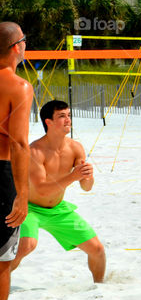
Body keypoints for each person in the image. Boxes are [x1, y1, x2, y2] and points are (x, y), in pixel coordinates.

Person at [10, 100, 105, 282]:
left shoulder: (75, 148)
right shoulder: (35, 151)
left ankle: (100, 289)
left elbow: (86, 187)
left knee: (98, 250)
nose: (68, 120)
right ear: (49, 122)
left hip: (59, 210)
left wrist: (88, 176)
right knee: (26, 246)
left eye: (69, 115)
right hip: (31, 208)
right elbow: (42, 190)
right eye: (62, 116)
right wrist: (73, 176)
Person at [0, 23, 30, 300]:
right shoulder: (18, 86)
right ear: (15, 47)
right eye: (24, 40)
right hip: (0, 174)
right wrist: (22, 195)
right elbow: (19, 144)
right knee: (1, 263)